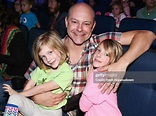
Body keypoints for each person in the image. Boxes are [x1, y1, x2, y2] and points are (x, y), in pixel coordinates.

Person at [24, 2, 156, 116]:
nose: (79, 29)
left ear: (93, 27)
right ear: (66, 22)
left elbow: (147, 35)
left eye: (86, 24)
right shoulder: (50, 49)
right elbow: (29, 81)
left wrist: (122, 64)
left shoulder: (100, 44)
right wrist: (35, 97)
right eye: (74, 22)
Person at [3, 31, 73, 116]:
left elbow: (41, 88)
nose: (48, 59)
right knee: (14, 98)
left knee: (15, 95)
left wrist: (18, 94)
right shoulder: (41, 69)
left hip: (52, 112)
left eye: (50, 52)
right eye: (43, 56)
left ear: (59, 48)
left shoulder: (66, 71)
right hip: (36, 107)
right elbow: (28, 87)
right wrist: (20, 106)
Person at [0, 6, 32, 112]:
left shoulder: (14, 33)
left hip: (16, 76)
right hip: (6, 71)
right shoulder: (2, 32)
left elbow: (18, 62)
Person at [79, 39, 123, 116]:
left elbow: (83, 107)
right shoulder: (110, 74)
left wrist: (88, 81)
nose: (99, 55)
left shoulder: (96, 75)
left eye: (106, 54)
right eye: (98, 50)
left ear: (114, 61)